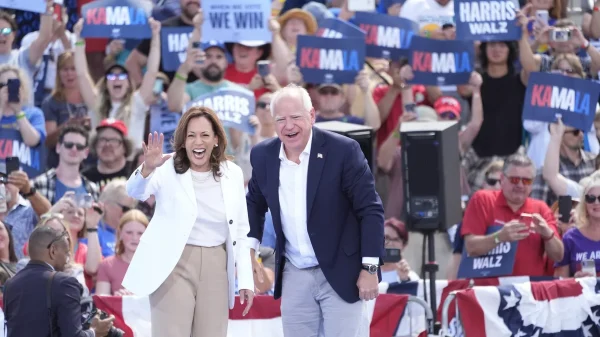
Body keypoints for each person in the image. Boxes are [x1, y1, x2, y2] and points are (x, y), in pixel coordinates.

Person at [246, 84, 385, 337]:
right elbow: (254, 204)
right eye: (281, 120)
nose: (289, 126)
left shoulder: (344, 151)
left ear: (311, 116)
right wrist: (248, 251)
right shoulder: (262, 155)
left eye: (296, 117)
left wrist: (370, 268)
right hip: (294, 272)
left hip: (343, 271)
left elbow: (371, 210)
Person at [122, 106, 255, 337]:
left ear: (216, 139)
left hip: (217, 264)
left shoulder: (232, 173)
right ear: (183, 141)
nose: (198, 142)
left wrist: (245, 279)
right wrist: (147, 168)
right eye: (191, 135)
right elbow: (135, 192)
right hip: (173, 264)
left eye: (204, 135)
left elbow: (241, 230)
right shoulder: (165, 167)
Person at [461, 154, 564, 277]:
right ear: (502, 179)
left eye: (526, 181)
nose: (520, 185)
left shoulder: (540, 209)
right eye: (514, 179)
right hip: (490, 291)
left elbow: (558, 256)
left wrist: (548, 235)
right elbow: (471, 248)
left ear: (532, 184)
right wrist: (499, 237)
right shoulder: (483, 200)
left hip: (529, 290)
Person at [4, 226, 114, 336]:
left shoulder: (10, 284)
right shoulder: (64, 282)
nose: (68, 260)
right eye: (66, 253)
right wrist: (95, 332)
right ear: (53, 250)